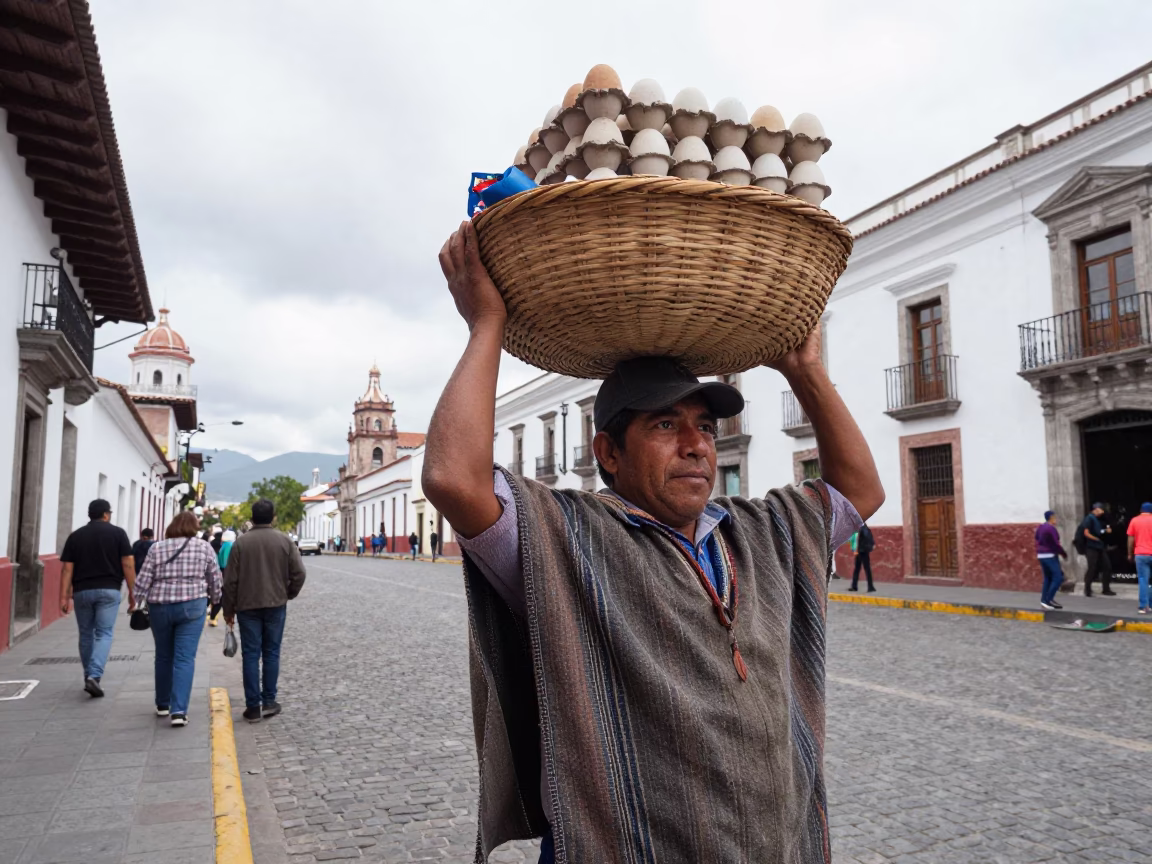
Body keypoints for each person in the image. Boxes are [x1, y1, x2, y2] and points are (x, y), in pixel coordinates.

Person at [424, 221, 884, 862]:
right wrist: (486, 327)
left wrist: (805, 369)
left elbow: (860, 491)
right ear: (608, 451)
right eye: (666, 423)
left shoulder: (762, 533)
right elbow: (451, 477)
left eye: (704, 425)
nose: (696, 444)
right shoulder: (567, 540)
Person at [222, 499, 307, 723]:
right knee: (271, 652)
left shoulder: (241, 543)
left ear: (252, 517)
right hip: (275, 605)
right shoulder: (284, 541)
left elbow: (230, 581)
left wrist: (228, 610)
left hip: (247, 606)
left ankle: (253, 706)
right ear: (273, 517)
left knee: (251, 654)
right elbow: (299, 573)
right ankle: (269, 701)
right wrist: (288, 593)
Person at [133, 511, 221, 726]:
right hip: (192, 606)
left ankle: (163, 704)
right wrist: (215, 600)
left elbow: (143, 580)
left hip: (160, 606)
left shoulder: (157, 548)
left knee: (163, 656)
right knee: (184, 658)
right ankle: (179, 711)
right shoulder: (204, 547)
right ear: (194, 527)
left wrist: (138, 600)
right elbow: (215, 578)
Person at [59, 499, 136, 698]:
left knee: (85, 634)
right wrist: (133, 593)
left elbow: (67, 569)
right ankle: (94, 675)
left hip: (82, 591)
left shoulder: (75, 536)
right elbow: (127, 563)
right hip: (109, 591)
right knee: (104, 633)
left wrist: (64, 596)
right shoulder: (118, 534)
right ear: (106, 515)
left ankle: (89, 676)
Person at [1080, 502, 1115, 597]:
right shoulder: (1089, 518)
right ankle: (1087, 589)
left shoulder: (1097, 519)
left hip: (1099, 546)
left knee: (1107, 567)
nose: (1102, 512)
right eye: (1101, 510)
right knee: (1092, 568)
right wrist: (1095, 539)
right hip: (1091, 547)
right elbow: (1086, 533)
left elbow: (1098, 531)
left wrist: (1105, 531)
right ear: (1095, 509)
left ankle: (1106, 589)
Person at [1035, 510, 1067, 610]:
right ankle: (1048, 599)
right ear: (1051, 517)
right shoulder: (1051, 528)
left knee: (1048, 578)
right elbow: (1056, 544)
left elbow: (1036, 538)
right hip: (1049, 555)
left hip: (1041, 555)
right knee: (1058, 578)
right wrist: (1063, 553)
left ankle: (1044, 600)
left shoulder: (1041, 527)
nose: (1056, 519)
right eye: (1055, 517)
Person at [1127, 502, 1152, 614]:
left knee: (1143, 580)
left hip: (1141, 554)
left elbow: (1130, 539)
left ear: (1141, 510)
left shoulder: (1134, 520)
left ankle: (1143, 607)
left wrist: (1130, 554)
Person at [849, 522, 876, 592]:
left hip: (860, 551)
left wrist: (855, 550)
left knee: (857, 569)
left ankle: (854, 586)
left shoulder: (858, 527)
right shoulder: (866, 528)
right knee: (867, 569)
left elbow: (856, 539)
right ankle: (871, 587)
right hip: (865, 551)